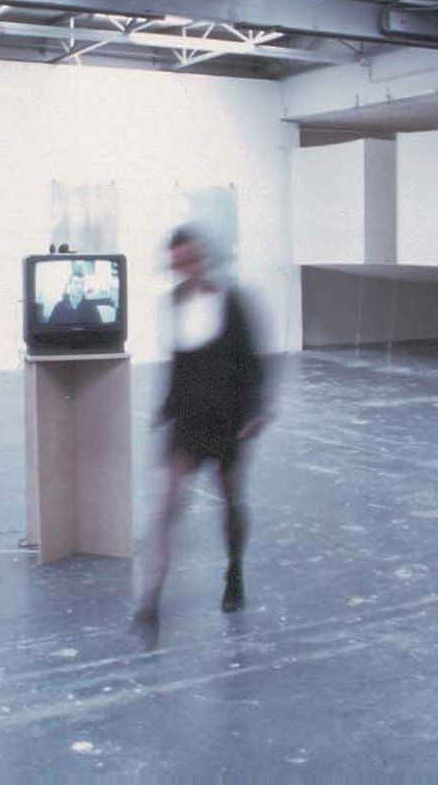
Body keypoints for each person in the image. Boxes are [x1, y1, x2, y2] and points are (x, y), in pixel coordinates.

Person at [137, 226, 268, 623]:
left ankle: (234, 573)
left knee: (230, 500)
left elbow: (253, 362)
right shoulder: (174, 301)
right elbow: (179, 360)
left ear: (204, 259)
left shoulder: (233, 301)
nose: (185, 270)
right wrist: (166, 406)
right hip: (187, 420)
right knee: (168, 505)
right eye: (178, 264)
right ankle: (152, 593)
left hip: (227, 419)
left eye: (190, 260)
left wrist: (255, 412)